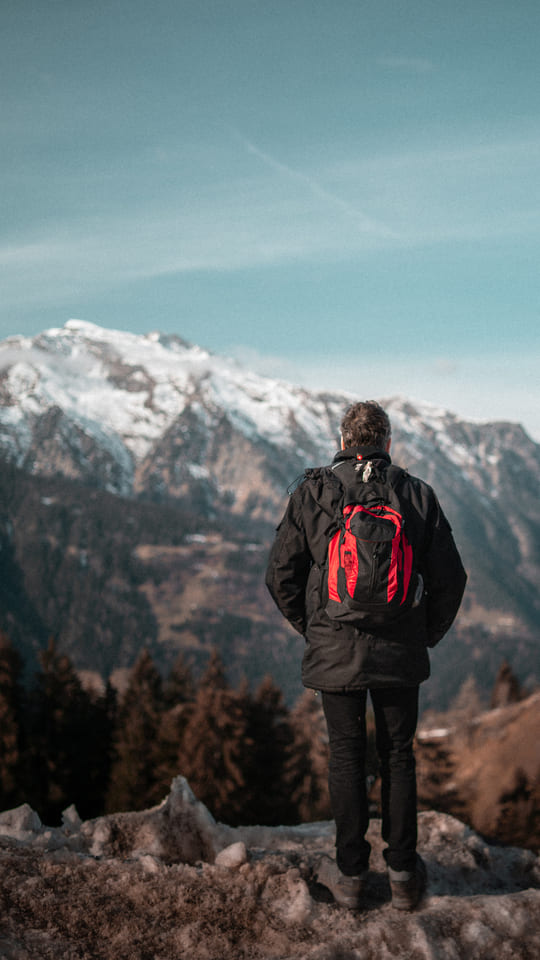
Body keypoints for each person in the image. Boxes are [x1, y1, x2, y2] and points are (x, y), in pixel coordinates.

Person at [265, 400, 467, 911]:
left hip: (334, 652)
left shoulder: (314, 491)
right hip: (401, 651)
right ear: (388, 442)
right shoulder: (416, 494)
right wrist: (425, 635)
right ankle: (402, 872)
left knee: (347, 756)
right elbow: (451, 579)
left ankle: (351, 875)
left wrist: (314, 629)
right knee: (398, 755)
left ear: (340, 438)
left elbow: (280, 575)